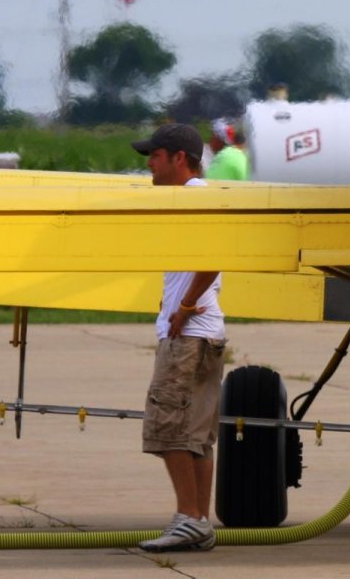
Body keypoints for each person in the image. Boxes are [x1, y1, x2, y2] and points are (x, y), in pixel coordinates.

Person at [131, 123, 227, 553]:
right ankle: (199, 522)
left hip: (187, 336)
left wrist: (184, 306)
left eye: (154, 155)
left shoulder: (193, 197)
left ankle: (187, 517)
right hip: (205, 335)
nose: (148, 163)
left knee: (168, 428)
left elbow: (216, 254)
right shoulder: (199, 196)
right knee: (196, 435)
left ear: (178, 158)